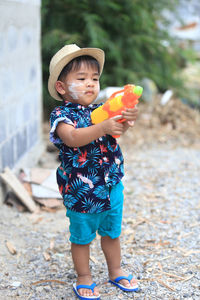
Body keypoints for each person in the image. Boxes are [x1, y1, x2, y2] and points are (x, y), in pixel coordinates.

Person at [48, 44, 139, 300]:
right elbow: (73, 138)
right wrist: (102, 127)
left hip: (111, 184)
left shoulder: (101, 110)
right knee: (82, 236)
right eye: (81, 78)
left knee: (112, 231)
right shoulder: (61, 115)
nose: (90, 84)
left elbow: (116, 132)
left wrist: (124, 120)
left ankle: (116, 269)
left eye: (95, 79)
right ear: (61, 87)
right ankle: (84, 277)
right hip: (81, 190)